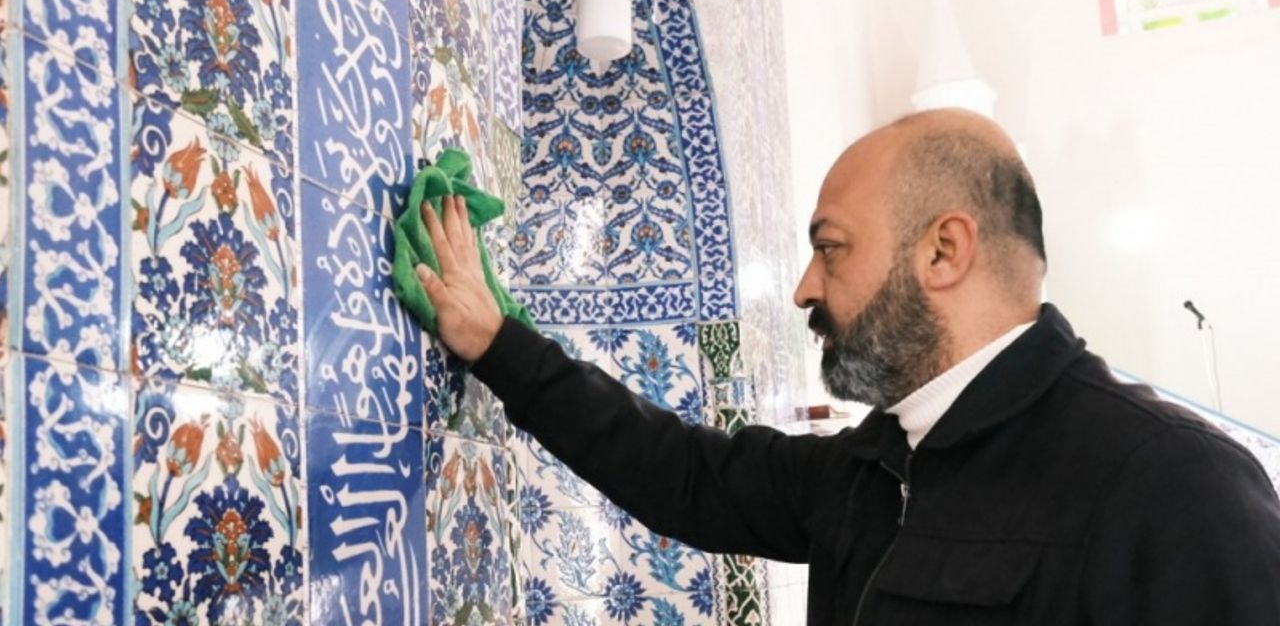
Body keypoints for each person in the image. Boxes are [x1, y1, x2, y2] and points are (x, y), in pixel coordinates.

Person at [415, 108, 1280, 625]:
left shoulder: (1171, 481)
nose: (803, 288)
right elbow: (682, 473)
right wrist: (498, 344)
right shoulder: (877, 464)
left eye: (830, 248)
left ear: (942, 251)